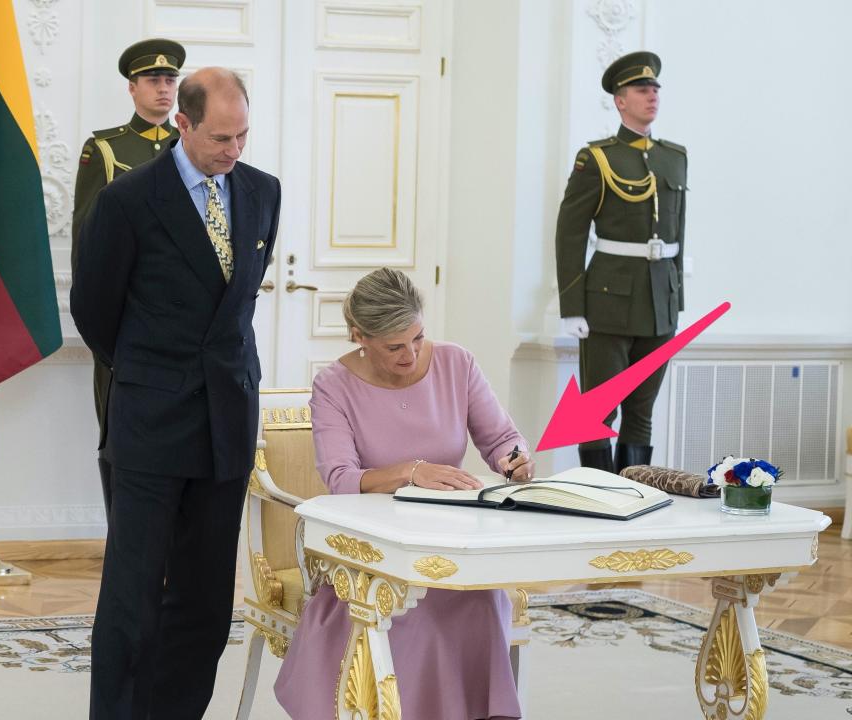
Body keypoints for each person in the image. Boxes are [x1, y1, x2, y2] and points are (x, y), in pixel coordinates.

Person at [71, 67, 281, 719]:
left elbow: (237, 303)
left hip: (228, 422)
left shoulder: (263, 193)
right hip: (150, 422)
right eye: (221, 137)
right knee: (132, 604)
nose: (234, 151)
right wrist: (151, 372)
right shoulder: (129, 199)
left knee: (205, 603)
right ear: (182, 125)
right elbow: (94, 309)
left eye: (243, 135)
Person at [273, 268, 533, 720]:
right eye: (394, 346)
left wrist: (515, 460)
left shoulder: (457, 364)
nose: (410, 354)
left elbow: (500, 439)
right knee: (394, 610)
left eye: (417, 337)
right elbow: (340, 478)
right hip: (372, 551)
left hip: (451, 543)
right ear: (359, 336)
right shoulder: (333, 386)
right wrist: (412, 471)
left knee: (480, 598)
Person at [554, 50, 687, 474]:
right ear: (619, 100)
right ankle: (597, 498)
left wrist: (676, 297)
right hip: (608, 301)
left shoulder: (673, 157)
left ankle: (634, 494)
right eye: (641, 90)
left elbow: (678, 233)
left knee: (642, 411)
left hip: (659, 303)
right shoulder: (596, 158)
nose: (652, 96)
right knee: (596, 413)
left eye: (654, 89)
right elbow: (570, 232)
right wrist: (571, 307)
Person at [71, 38, 186, 520]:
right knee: (122, 437)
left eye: (170, 80)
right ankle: (125, 541)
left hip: (184, 321)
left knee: (183, 442)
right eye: (153, 80)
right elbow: (86, 239)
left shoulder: (195, 147)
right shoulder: (106, 148)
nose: (163, 89)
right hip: (126, 322)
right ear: (132, 88)